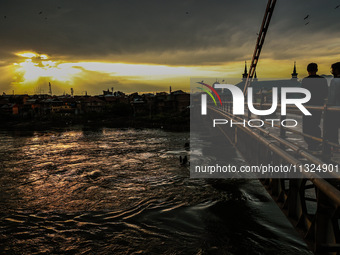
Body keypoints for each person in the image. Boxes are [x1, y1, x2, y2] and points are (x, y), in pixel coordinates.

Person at [301, 63, 328, 151]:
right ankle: (316, 142)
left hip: (307, 106)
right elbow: (325, 93)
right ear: (316, 70)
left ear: (307, 71)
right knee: (316, 124)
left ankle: (310, 143)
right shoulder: (322, 80)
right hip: (318, 105)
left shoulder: (305, 80)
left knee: (307, 125)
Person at [326, 62, 340, 147]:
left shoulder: (334, 81)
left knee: (333, 128)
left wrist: (328, 107)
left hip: (335, 108)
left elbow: (332, 96)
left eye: (333, 69)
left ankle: (334, 146)